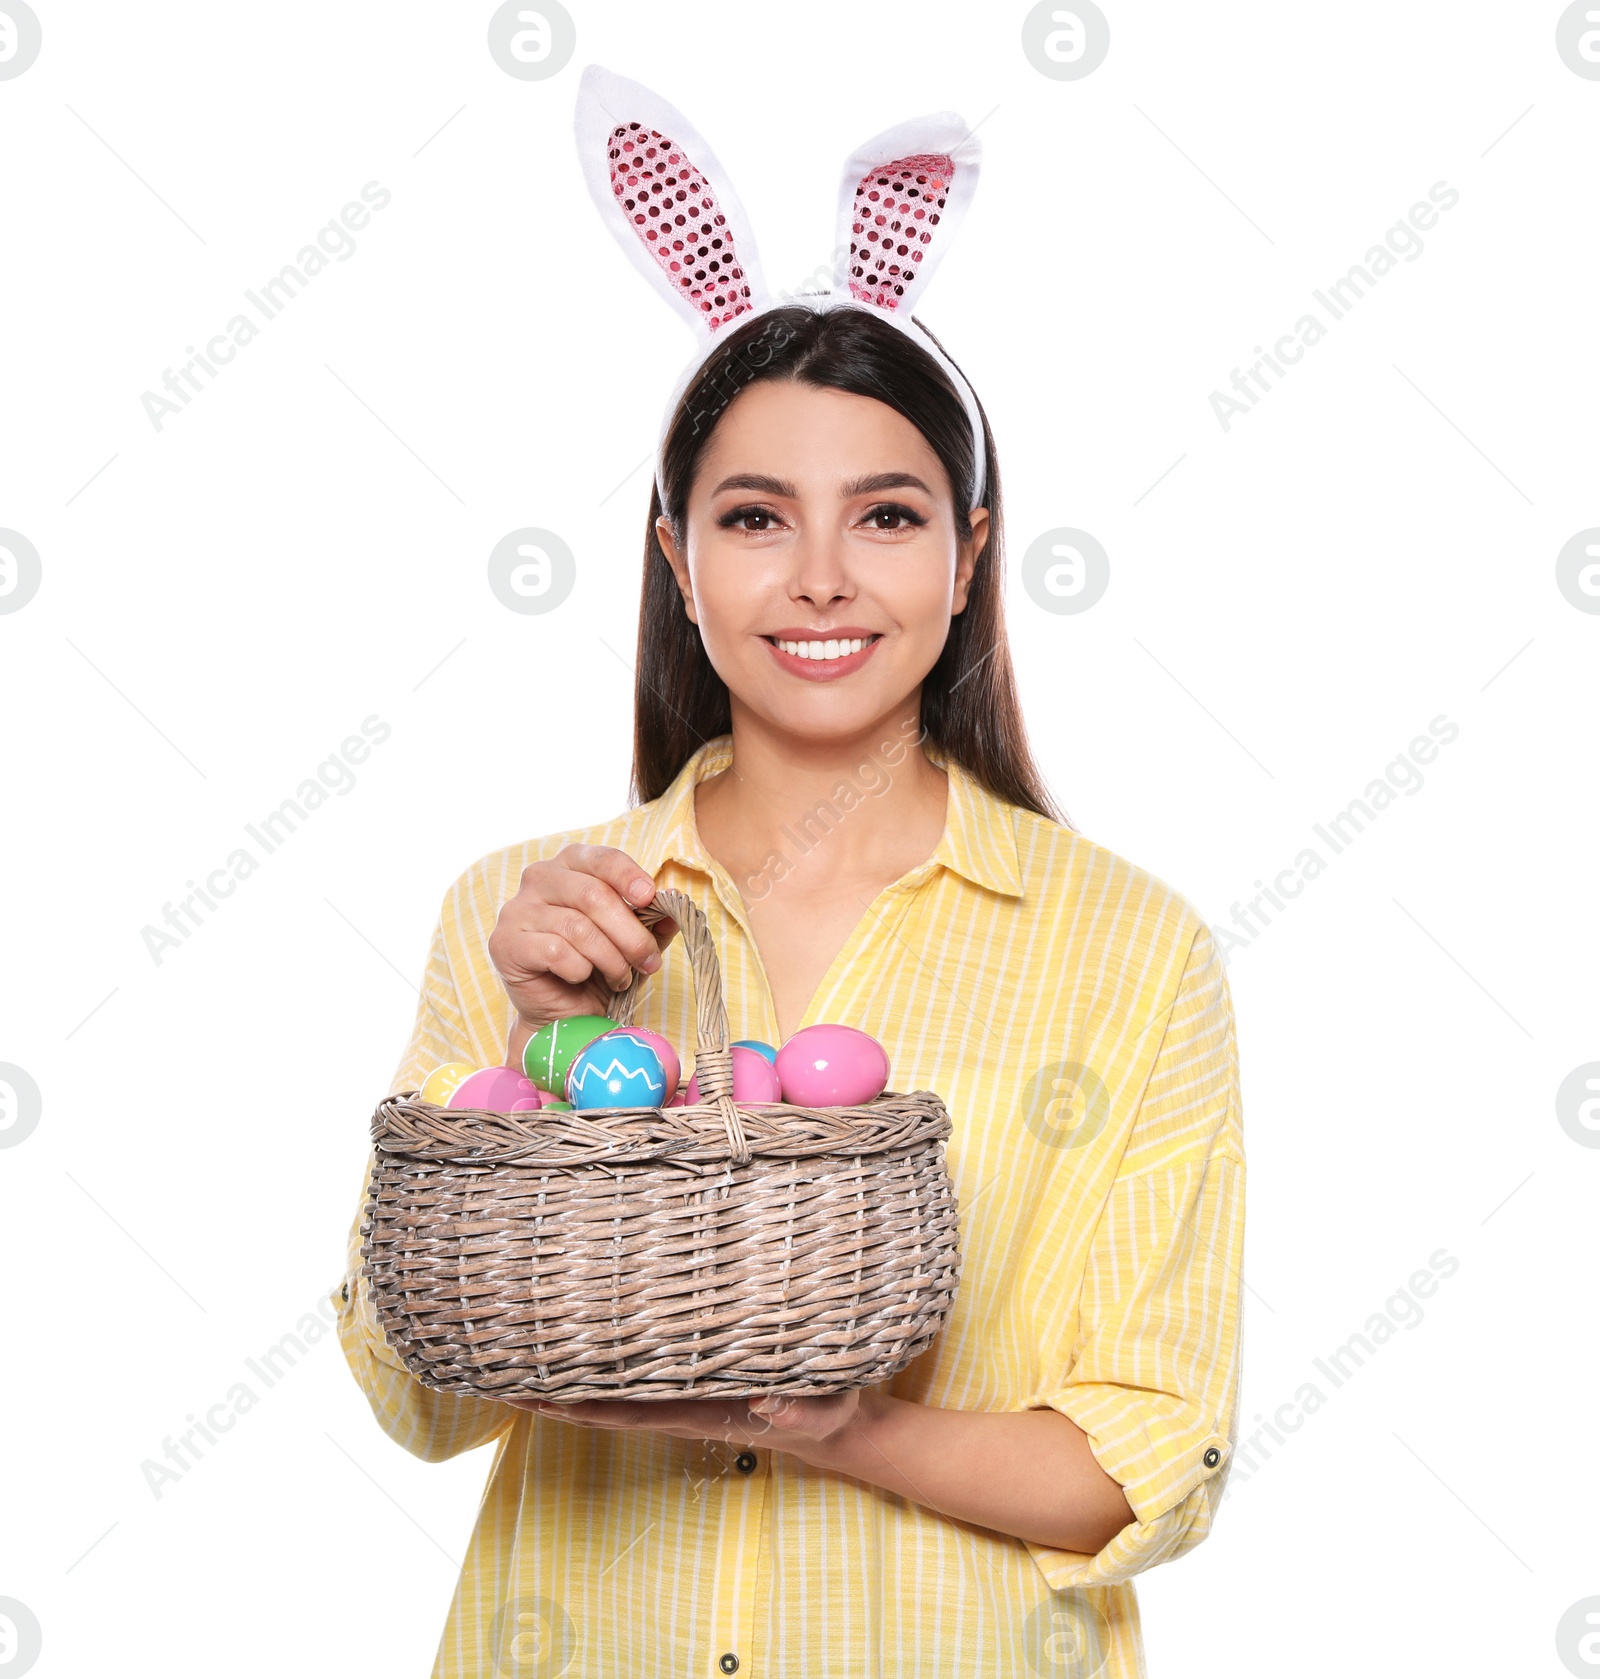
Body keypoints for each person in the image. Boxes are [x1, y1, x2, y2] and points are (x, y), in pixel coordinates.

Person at [333, 299, 1245, 1677]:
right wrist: (539, 1052)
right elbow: (422, 1402)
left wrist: (843, 1426)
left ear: (967, 557)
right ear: (677, 563)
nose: (822, 578)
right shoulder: (523, 916)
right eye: (757, 519)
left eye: (885, 517)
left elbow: (1149, 1460)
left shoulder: (1131, 950)